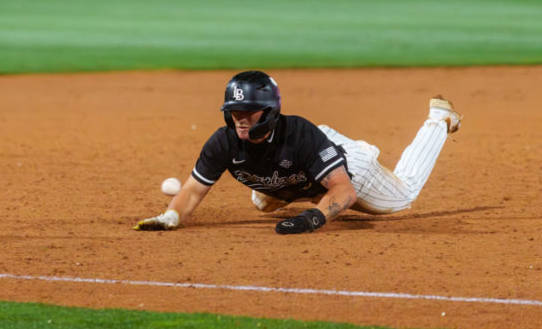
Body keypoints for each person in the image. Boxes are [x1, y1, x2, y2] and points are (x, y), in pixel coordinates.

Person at [134, 70, 462, 235]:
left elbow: (345, 192)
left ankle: (438, 119)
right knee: (263, 202)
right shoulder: (223, 142)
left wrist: (312, 218)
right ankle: (309, 181)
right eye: (234, 111)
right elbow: (192, 191)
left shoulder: (300, 134)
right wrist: (170, 216)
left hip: (348, 167)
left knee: (403, 195)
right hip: (299, 162)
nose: (240, 118)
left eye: (249, 111)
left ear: (269, 111)